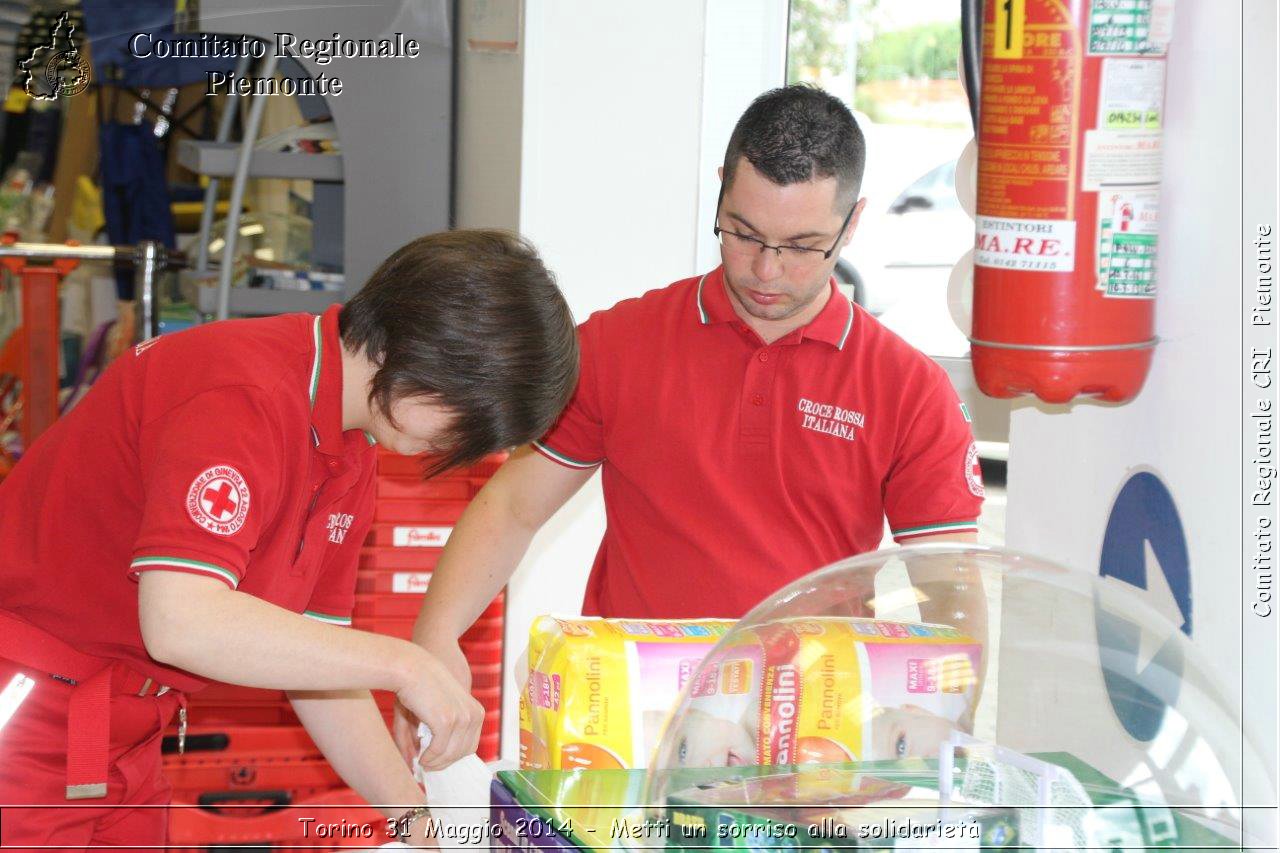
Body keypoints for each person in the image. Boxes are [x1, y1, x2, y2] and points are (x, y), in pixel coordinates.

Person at [396, 85, 986, 762]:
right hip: (635, 730)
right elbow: (512, 507)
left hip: (806, 740)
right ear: (719, 195)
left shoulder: (908, 389)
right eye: (743, 233)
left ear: (852, 224)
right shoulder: (620, 344)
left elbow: (951, 582)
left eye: (802, 245)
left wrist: (947, 729)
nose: (767, 270)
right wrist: (435, 636)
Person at [0, 229, 578, 848]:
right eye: (472, 421)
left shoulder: (350, 442)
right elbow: (180, 622)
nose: (467, 450)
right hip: (30, 711)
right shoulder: (241, 392)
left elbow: (317, 666)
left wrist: (418, 822)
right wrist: (403, 663)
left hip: (124, 732)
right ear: (429, 356)